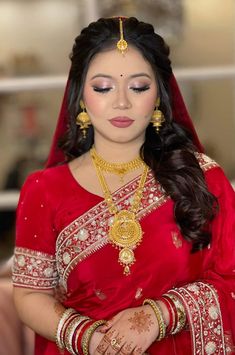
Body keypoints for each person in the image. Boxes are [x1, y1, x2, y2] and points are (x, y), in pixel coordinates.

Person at [12, 17, 235, 355]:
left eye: (139, 87)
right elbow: (30, 295)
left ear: (159, 94)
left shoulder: (202, 179)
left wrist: (158, 316)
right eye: (103, 87)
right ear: (80, 95)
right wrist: (94, 340)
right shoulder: (44, 189)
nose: (121, 103)